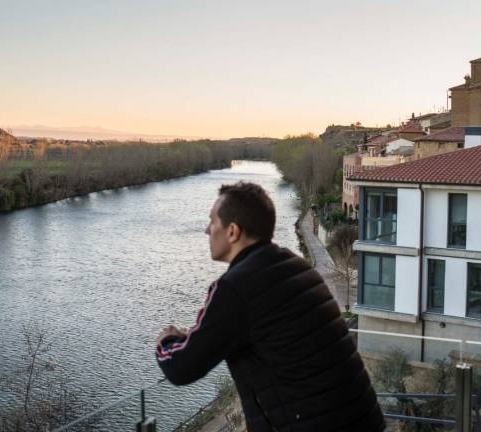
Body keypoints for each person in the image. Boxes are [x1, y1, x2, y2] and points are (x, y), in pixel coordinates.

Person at [156, 181, 384, 431]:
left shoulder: (235, 287)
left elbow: (180, 367)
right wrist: (202, 335)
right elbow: (268, 332)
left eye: (212, 222)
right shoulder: (297, 267)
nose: (207, 231)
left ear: (233, 231)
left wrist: (166, 341)